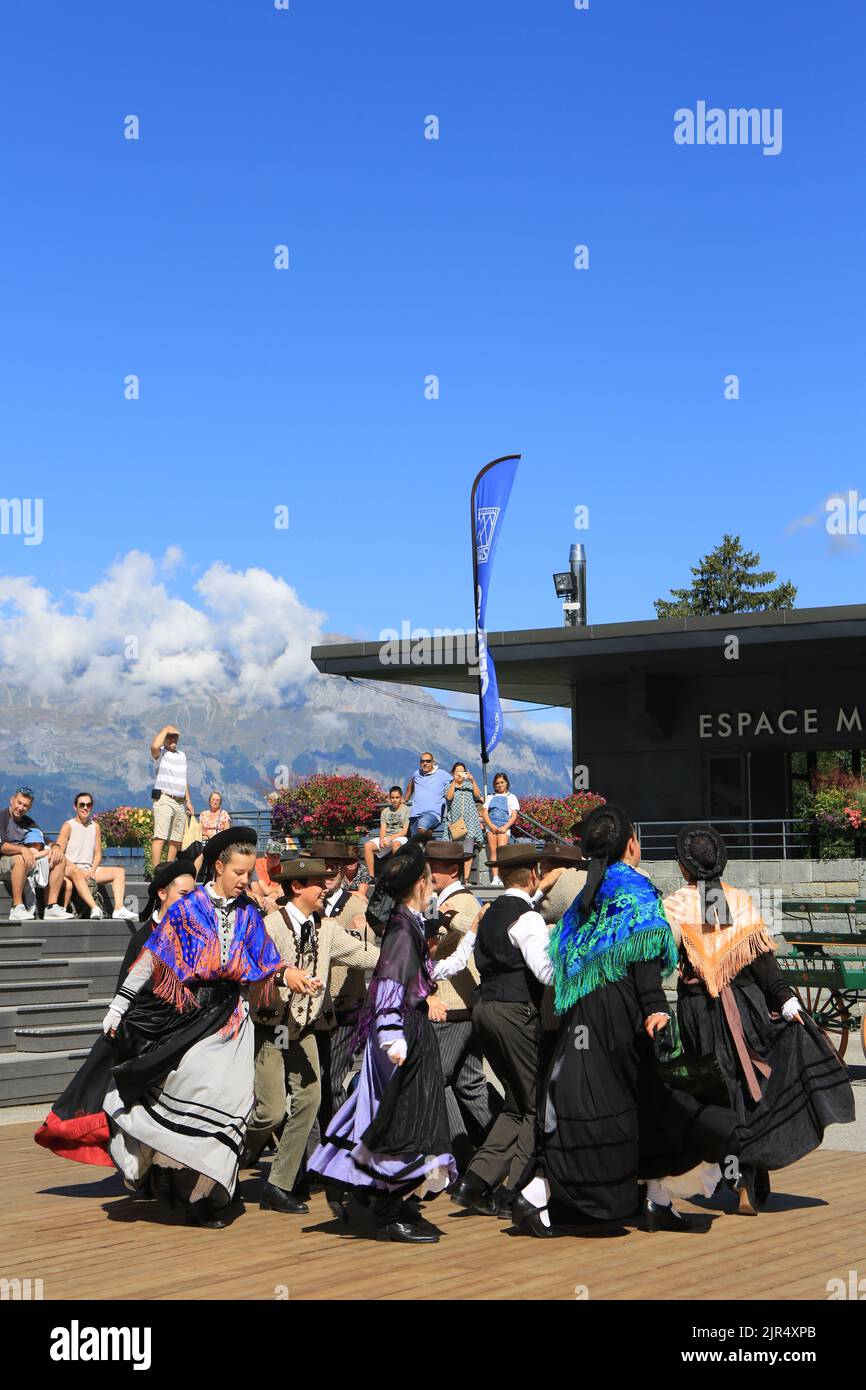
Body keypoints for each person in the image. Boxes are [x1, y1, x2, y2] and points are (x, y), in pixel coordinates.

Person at [35, 828, 283, 1230]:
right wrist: (118, 1006)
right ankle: (165, 1168)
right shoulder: (188, 910)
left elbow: (268, 962)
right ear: (218, 867)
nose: (245, 880)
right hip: (191, 1016)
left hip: (234, 1020)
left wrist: (292, 976)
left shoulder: (249, 913)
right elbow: (152, 960)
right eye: (238, 871)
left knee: (235, 1106)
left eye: (249, 872)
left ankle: (200, 1196)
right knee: (190, 1099)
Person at [513, 805, 735, 1239]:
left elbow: (565, 954)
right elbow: (644, 953)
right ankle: (538, 1194)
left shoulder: (587, 893)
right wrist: (655, 1006)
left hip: (581, 1009)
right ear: (631, 844)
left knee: (631, 1100)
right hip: (622, 1010)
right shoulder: (634, 888)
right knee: (646, 1097)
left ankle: (658, 1200)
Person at [664, 823, 855, 1216]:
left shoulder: (676, 906)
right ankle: (750, 1176)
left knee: (720, 1091)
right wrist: (788, 1004)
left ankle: (738, 1176)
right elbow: (766, 966)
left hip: (700, 1012)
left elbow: (660, 957)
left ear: (684, 868)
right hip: (748, 1006)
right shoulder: (740, 901)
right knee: (751, 1088)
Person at [308, 843, 456, 1243]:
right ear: (422, 884)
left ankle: (364, 1188)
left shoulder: (407, 923)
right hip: (402, 1037)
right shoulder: (404, 931)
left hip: (408, 1032)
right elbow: (389, 989)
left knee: (384, 1115)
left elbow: (409, 981)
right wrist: (393, 1039)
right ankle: (388, 1207)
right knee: (402, 1120)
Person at [249, 852, 380, 1216]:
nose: (325, 887)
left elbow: (365, 955)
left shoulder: (328, 929)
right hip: (272, 1028)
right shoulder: (271, 926)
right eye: (317, 882)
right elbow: (252, 971)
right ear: (296, 887)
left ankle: (278, 1184)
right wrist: (284, 977)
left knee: (310, 1098)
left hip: (304, 1028)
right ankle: (232, 1153)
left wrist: (410, 956)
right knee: (271, 1111)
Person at [448, 844, 555, 1222]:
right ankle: (516, 1188)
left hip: (485, 1009)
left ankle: (474, 1182)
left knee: (514, 1102)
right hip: (516, 1012)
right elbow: (546, 972)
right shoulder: (527, 918)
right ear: (532, 876)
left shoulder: (490, 913)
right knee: (535, 1104)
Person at [424, 841, 494, 1168]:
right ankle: (497, 1149)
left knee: (437, 1080)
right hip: (462, 1006)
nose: (429, 872)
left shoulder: (461, 900)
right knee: (470, 1082)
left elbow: (480, 928)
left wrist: (447, 918)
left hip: (452, 1009)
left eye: (434, 866)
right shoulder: (446, 899)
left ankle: (463, 1156)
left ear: (452, 870)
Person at [309, 841, 377, 1135]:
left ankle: (337, 1147)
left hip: (345, 1007)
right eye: (323, 866)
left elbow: (368, 952)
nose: (329, 872)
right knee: (313, 1084)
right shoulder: (307, 903)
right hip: (312, 1007)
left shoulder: (357, 905)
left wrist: (360, 934)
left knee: (332, 1081)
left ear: (342, 871)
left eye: (335, 866)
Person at [114, 858, 198, 990]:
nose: (190, 901)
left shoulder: (198, 935)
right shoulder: (142, 939)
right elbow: (125, 990)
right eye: (183, 894)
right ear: (162, 893)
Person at [56, 793, 137, 921]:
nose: (85, 808)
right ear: (75, 807)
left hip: (89, 870)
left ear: (92, 806)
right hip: (70, 869)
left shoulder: (96, 827)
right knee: (76, 873)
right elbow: (59, 853)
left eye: (88, 804)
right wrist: (79, 870)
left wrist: (92, 870)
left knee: (119, 871)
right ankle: (95, 908)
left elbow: (98, 853)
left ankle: (119, 909)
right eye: (81, 804)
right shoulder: (68, 826)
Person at [0, 787, 72, 921]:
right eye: (19, 803)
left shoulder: (29, 822)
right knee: (20, 859)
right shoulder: (2, 818)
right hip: (5, 862)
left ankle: (51, 907)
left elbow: (44, 839)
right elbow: (2, 846)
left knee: (59, 858)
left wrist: (55, 847)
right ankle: (17, 907)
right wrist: (22, 849)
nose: (21, 808)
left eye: (25, 805)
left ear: (29, 807)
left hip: (28, 861)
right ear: (12, 800)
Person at [150, 724, 194, 869]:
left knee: (176, 839)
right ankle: (157, 870)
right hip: (165, 799)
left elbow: (184, 779)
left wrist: (189, 800)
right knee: (160, 836)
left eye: (175, 736)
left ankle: (169, 868)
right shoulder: (160, 754)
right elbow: (154, 746)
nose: (173, 739)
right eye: (170, 736)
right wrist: (165, 729)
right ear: (165, 738)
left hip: (180, 802)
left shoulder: (182, 756)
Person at [442, 762, 485, 882]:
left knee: (468, 850)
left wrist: (472, 780)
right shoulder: (449, 785)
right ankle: (454, 878)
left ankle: (466, 878)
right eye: (457, 772)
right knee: (454, 851)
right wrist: (455, 783)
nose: (460, 775)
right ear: (453, 773)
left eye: (462, 772)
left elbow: (478, 795)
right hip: (455, 822)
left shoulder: (469, 785)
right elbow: (449, 797)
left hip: (469, 820)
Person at [481, 772, 520, 887]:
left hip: (504, 826)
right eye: (497, 783)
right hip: (491, 826)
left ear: (506, 783)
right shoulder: (491, 797)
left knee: (501, 851)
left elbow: (514, 815)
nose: (499, 785)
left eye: (502, 782)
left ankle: (503, 876)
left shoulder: (512, 797)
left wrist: (506, 827)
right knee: (493, 850)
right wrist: (491, 826)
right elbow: (484, 812)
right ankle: (495, 877)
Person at [403, 752, 452, 843]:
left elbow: (455, 784)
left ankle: (433, 842)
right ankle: (429, 847)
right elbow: (411, 785)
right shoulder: (416, 774)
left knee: (421, 828)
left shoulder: (442, 774)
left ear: (433, 762)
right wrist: (405, 799)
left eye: (428, 761)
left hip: (433, 814)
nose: (425, 763)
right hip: (415, 814)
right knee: (414, 842)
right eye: (422, 761)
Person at [363, 787, 410, 877]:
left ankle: (396, 874)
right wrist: (381, 840)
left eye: (397, 797)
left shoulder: (406, 810)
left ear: (401, 797)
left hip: (400, 837)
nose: (394, 800)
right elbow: (383, 828)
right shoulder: (385, 811)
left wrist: (389, 839)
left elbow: (404, 832)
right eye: (392, 797)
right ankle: (371, 876)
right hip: (386, 837)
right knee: (367, 845)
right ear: (389, 798)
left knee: (396, 844)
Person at [250, 840, 286, 916]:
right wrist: (279, 889)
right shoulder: (258, 864)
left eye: (278, 856)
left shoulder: (279, 867)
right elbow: (265, 890)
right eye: (272, 856)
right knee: (273, 903)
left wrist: (279, 890)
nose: (275, 859)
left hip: (270, 897)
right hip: (256, 897)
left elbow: (278, 891)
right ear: (266, 854)